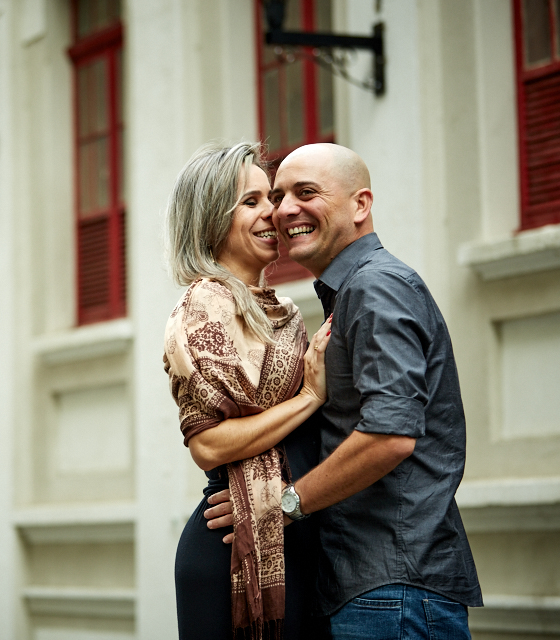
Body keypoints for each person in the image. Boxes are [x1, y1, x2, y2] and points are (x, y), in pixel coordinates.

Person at [206, 143, 483, 639]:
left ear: (360, 205)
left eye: (306, 192)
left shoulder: (375, 287)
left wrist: (283, 504)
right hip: (372, 590)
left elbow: (388, 436)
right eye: (278, 195)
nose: (284, 209)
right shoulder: (352, 291)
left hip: (393, 590)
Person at [163, 141, 332, 639]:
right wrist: (309, 398)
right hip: (225, 545)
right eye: (251, 201)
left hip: (288, 528)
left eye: (270, 199)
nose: (272, 213)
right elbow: (208, 443)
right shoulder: (201, 308)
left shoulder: (286, 314)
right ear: (213, 218)